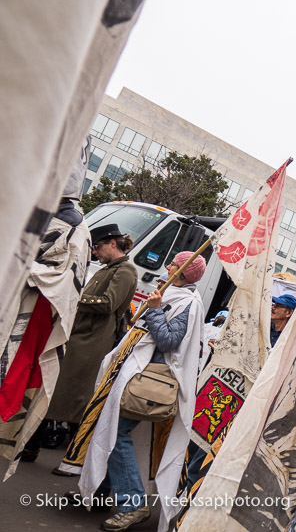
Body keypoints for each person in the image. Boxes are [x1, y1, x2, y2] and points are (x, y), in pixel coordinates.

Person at [73, 251, 206, 532]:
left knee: (116, 431)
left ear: (180, 272)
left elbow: (169, 342)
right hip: (136, 375)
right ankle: (99, 491)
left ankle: (133, 503)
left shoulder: (188, 303)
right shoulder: (172, 293)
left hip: (149, 381)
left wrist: (156, 309)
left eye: (173, 263)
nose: (167, 265)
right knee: (112, 429)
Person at [0, 138, 93, 471]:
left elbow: (66, 280)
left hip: (34, 309)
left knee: (17, 368)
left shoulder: (76, 228)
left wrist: (26, 266)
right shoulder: (29, 206)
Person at [47, 223, 138, 451]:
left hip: (94, 339)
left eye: (97, 247)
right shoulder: (108, 268)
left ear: (112, 244)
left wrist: (75, 297)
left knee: (77, 391)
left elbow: (108, 303)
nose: (94, 252)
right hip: (82, 334)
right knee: (64, 386)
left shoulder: (125, 271)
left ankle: (72, 446)